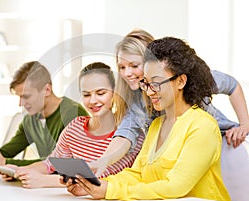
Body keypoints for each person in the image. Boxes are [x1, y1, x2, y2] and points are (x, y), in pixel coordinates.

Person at [63, 36, 231, 201]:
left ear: (180, 81)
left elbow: (175, 186)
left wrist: (110, 190)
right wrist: (95, 185)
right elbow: (137, 174)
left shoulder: (202, 127)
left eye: (156, 83)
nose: (149, 92)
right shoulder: (156, 125)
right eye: (146, 83)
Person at [91, 29, 249, 177]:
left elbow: (231, 85)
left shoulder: (188, 79)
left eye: (134, 65)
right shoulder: (139, 102)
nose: (127, 73)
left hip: (227, 143)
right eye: (122, 67)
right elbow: (125, 135)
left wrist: (244, 125)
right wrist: (104, 160)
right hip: (189, 155)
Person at [1, 62, 144, 188]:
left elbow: (101, 177)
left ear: (115, 94)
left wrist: (45, 181)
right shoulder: (75, 127)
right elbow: (51, 163)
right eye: (86, 95)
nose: (92, 101)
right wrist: (21, 172)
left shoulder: (129, 136)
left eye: (100, 93)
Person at [0, 61, 88, 170]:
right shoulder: (30, 119)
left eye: (26, 96)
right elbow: (7, 151)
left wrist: (7, 163)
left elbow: (61, 163)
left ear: (47, 90)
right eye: (19, 97)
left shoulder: (73, 114)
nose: (21, 103)